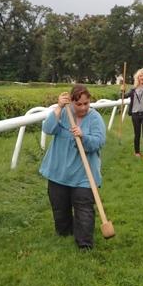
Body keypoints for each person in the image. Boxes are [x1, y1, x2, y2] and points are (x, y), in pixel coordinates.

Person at [40, 84, 107, 249]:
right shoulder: (63, 113)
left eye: (86, 103)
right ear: (71, 102)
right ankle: (65, 234)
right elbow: (48, 129)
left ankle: (84, 244)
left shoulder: (95, 118)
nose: (83, 107)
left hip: (84, 175)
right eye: (79, 104)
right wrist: (58, 108)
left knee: (84, 210)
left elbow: (99, 142)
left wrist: (84, 137)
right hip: (58, 172)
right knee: (60, 210)